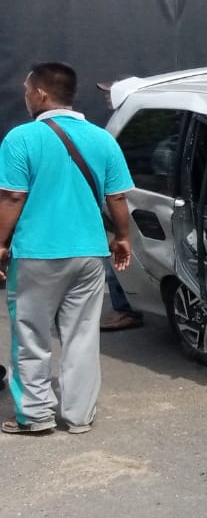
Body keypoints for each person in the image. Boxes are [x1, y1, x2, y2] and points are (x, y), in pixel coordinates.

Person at [0, 62, 134, 434]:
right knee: (82, 336)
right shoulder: (102, 139)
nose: (25, 97)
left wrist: (0, 243)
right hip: (89, 253)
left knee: (30, 335)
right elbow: (117, 197)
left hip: (36, 254)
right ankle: (79, 416)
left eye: (27, 90)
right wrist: (123, 238)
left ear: (41, 93)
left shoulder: (21, 138)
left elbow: (12, 196)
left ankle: (35, 415)